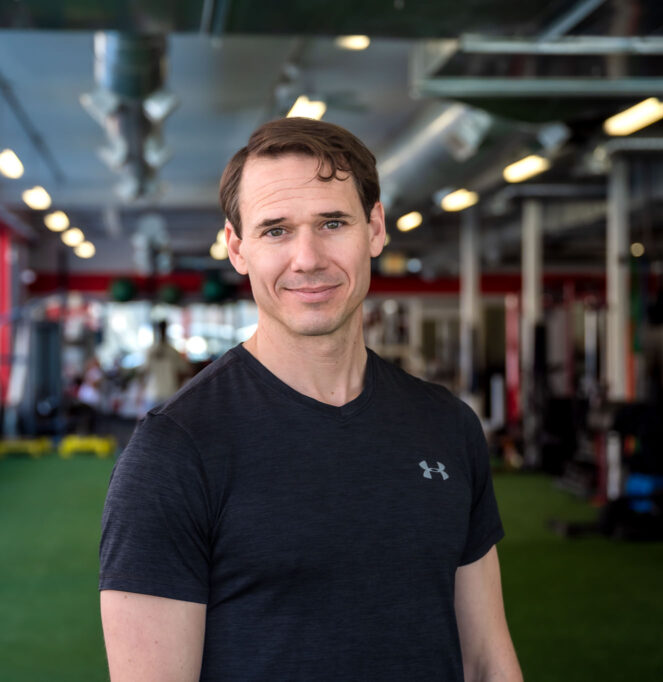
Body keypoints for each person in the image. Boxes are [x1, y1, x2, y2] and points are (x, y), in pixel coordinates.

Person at [100, 118, 522, 681]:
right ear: (237, 247)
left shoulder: (446, 425)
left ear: (374, 229)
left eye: (332, 222)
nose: (308, 258)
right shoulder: (173, 452)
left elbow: (487, 661)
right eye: (275, 230)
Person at [134, 319, 192, 418]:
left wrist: (140, 392)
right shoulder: (170, 351)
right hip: (166, 393)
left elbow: (143, 373)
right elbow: (185, 371)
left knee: (151, 427)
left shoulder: (152, 351)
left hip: (156, 394)